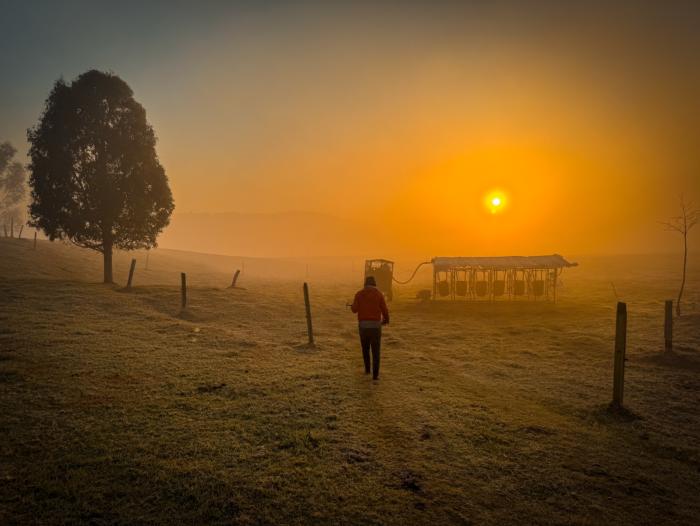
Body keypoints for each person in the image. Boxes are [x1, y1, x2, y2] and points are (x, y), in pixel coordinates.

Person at [350, 275, 390, 380]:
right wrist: (386, 320)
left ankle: (367, 370)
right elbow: (384, 310)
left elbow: (354, 310)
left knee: (365, 349)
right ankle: (375, 376)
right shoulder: (379, 294)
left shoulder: (359, 294)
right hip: (376, 326)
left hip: (363, 326)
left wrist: (352, 306)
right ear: (374, 284)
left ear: (365, 284)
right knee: (376, 351)